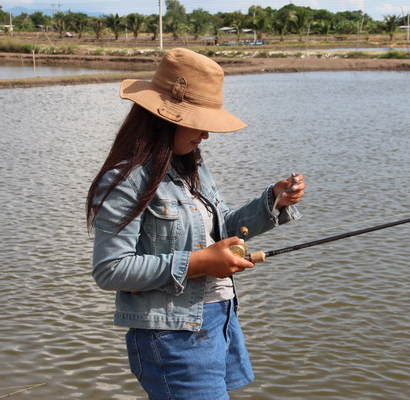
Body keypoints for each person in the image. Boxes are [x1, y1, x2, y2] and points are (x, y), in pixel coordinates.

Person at [86, 48, 305, 399]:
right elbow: (111, 269)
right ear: (165, 118)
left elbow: (221, 231)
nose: (205, 135)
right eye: (198, 122)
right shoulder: (125, 180)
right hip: (172, 335)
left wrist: (272, 202)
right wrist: (200, 262)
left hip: (218, 319)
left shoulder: (192, 166)